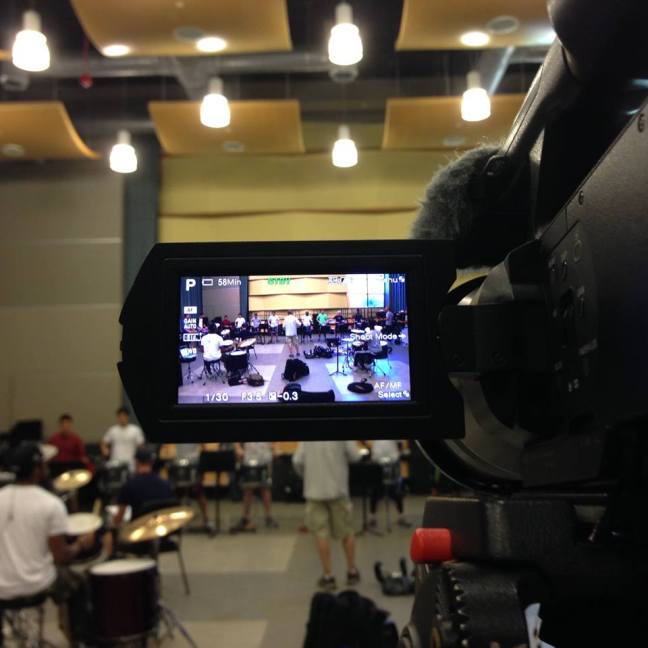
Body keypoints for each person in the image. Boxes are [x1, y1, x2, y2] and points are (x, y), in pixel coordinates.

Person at [0, 443, 95, 628]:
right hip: (35, 585)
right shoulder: (50, 504)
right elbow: (61, 557)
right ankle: (78, 636)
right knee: (79, 583)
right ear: (37, 469)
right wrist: (81, 544)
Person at [292, 441, 361, 591]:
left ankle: (328, 576)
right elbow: (354, 455)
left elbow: (297, 460)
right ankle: (351, 571)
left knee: (321, 533)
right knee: (347, 531)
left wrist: (307, 475)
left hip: (314, 490)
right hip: (338, 489)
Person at [113, 447, 174, 525]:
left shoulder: (129, 485)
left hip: (138, 529)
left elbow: (119, 518)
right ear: (152, 462)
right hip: (161, 528)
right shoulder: (165, 484)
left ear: (136, 462)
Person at [230, 442, 278, 532]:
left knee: (265, 489)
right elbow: (237, 444)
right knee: (248, 489)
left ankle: (268, 517)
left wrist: (274, 449)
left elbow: (274, 443)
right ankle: (245, 517)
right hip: (249, 460)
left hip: (264, 460)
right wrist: (238, 449)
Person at [173, 444, 215, 535]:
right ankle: (175, 521)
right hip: (180, 464)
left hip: (194, 464)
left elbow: (204, 447)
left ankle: (206, 519)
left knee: (199, 493)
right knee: (178, 494)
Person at [368, 440, 410, 528]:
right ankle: (372, 517)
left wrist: (398, 454)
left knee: (396, 492)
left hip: (392, 463)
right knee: (375, 492)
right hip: (377, 463)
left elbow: (400, 444)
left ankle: (401, 516)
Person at [101, 407, 145, 472]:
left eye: (124, 416)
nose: (122, 418)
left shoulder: (135, 430)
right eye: (120, 416)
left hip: (131, 462)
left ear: (128, 417)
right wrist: (105, 450)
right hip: (115, 461)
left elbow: (141, 445)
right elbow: (104, 443)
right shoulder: (113, 430)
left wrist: (140, 457)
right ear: (117, 417)